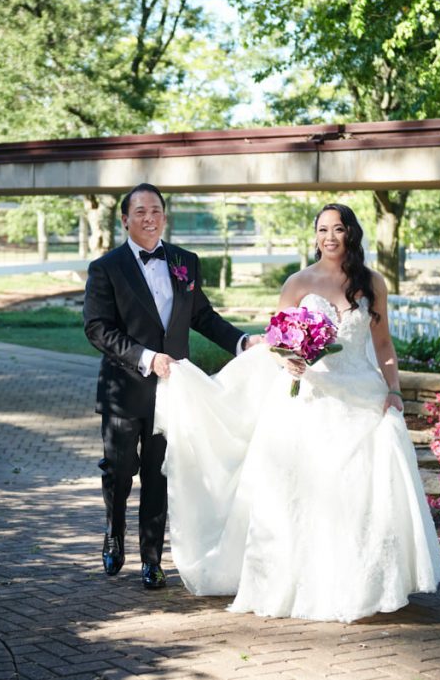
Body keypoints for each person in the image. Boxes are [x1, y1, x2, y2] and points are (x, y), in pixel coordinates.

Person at [155, 202, 440, 621]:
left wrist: (394, 390)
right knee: (306, 488)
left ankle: (364, 583)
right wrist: (287, 360)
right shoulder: (297, 283)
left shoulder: (372, 283)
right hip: (310, 396)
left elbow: (383, 345)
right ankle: (303, 582)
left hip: (362, 395)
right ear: (314, 236)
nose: (330, 236)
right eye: (323, 229)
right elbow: (278, 343)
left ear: (351, 234)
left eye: (338, 228)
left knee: (361, 489)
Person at [83, 183, 260, 589]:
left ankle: (152, 560)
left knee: (160, 474)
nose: (149, 218)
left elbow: (203, 317)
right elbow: (97, 328)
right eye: (140, 212)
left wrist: (241, 342)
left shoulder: (185, 262)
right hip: (125, 389)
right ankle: (113, 532)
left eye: (156, 211)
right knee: (120, 469)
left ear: (165, 216)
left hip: (175, 392)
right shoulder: (106, 268)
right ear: (124, 219)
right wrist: (146, 357)